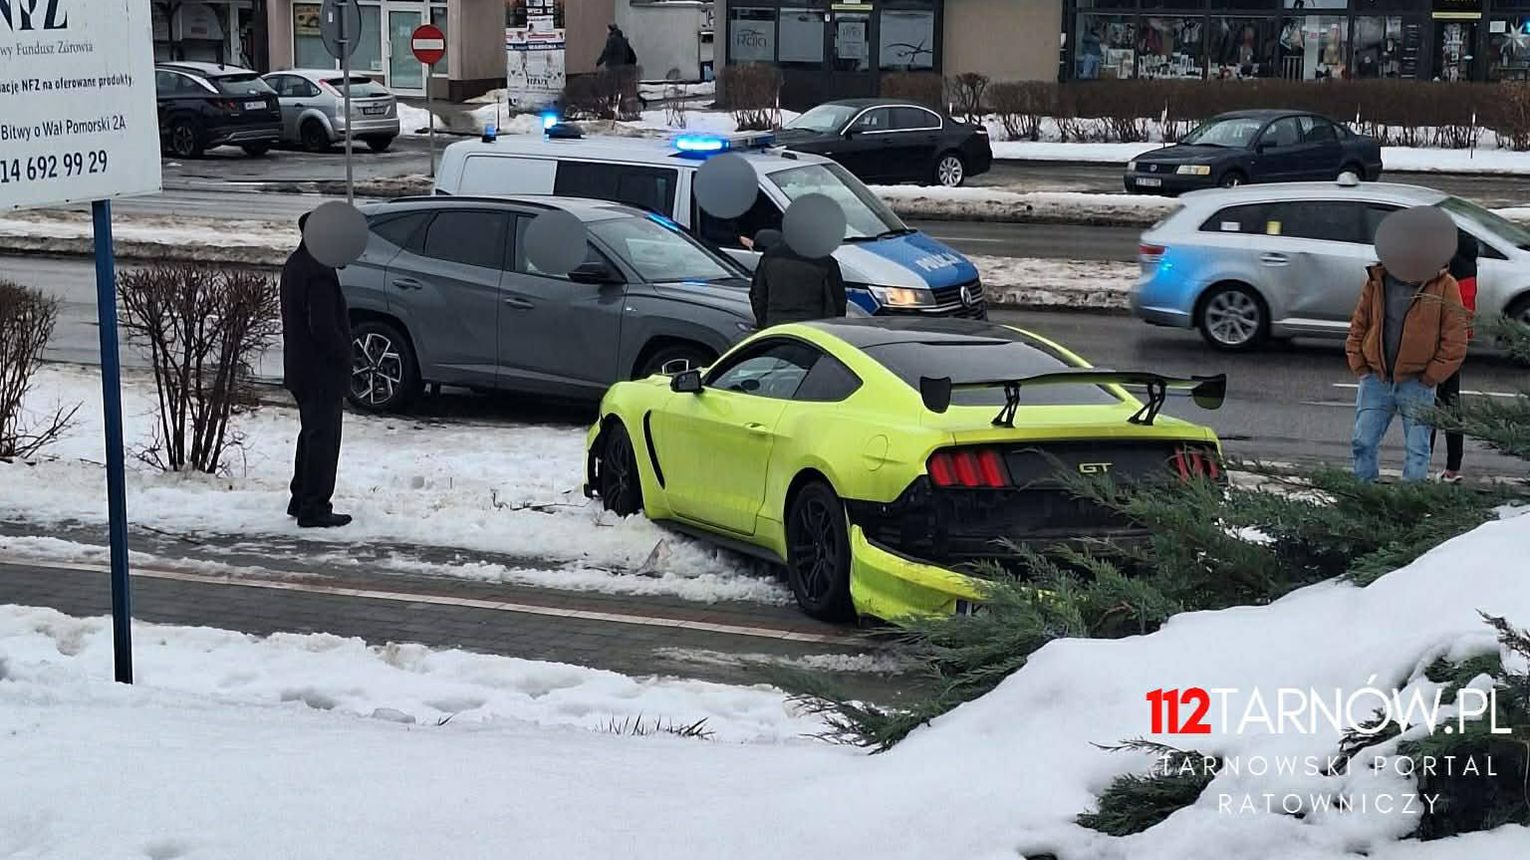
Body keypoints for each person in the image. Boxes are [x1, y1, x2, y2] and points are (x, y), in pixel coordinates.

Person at [1346, 260, 1468, 483]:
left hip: (1417, 382)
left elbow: (1456, 339)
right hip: (1376, 377)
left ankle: (1409, 506)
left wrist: (1431, 376)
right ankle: (1363, 498)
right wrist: (1360, 364)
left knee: (1417, 453)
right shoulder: (1377, 279)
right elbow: (1359, 323)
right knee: (1362, 442)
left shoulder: (1444, 285)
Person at [280, 212, 353, 528]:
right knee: (323, 438)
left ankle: (300, 498)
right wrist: (343, 356)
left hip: (299, 368)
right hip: (320, 371)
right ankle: (314, 506)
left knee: (310, 434)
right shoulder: (319, 273)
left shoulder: (296, 264)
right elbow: (323, 326)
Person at [1432, 231, 1479, 483]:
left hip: (1438, 340)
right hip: (1459, 339)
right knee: (1450, 402)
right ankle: (1453, 466)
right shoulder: (1467, 258)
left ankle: (1421, 462)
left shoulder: (1445, 264)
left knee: (1427, 402)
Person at [749, 229, 847, 328]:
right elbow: (837, 301)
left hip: (776, 326)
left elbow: (757, 295)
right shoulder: (826, 261)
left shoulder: (770, 256)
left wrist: (764, 324)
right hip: (813, 329)